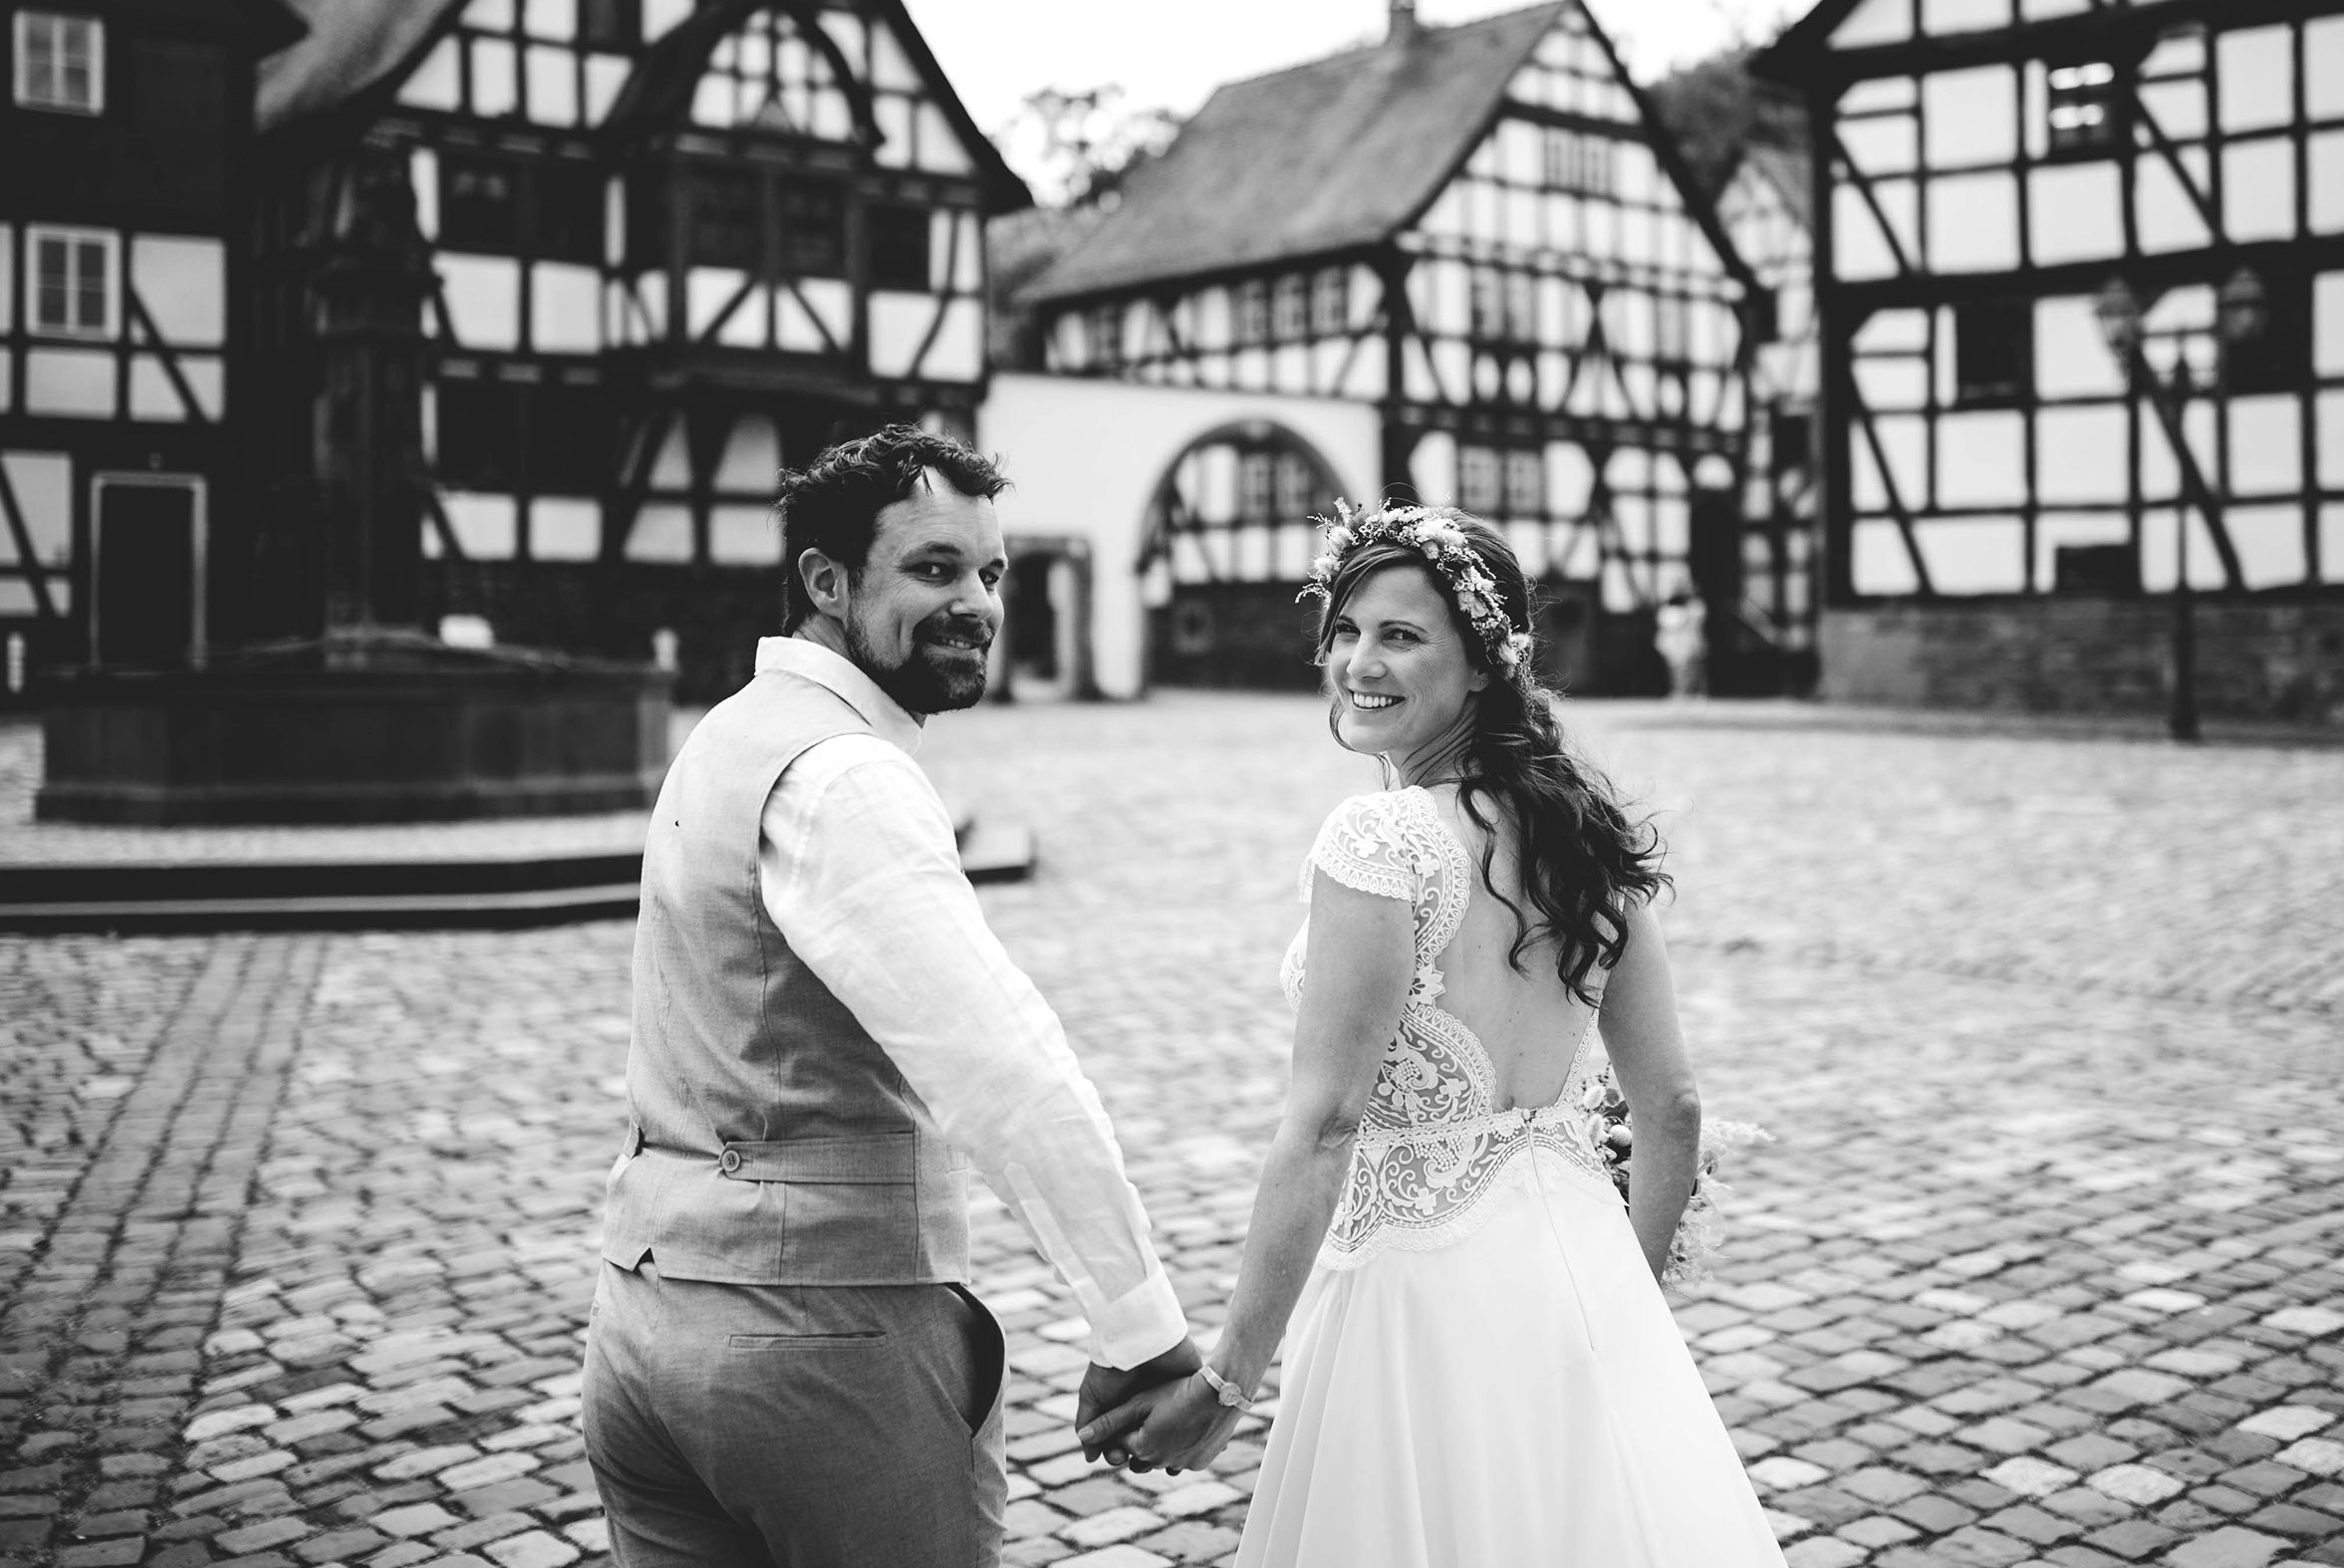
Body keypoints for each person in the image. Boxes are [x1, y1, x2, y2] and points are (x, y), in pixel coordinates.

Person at [1082, 502, 1785, 1566]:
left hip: (1416, 1300)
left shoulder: (1380, 836)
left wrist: (1227, 1381)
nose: (1358, 660)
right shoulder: (1585, 827)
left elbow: (1322, 1127)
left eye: (1401, 635)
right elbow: (1672, 1107)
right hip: (1581, 1277)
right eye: (1347, 629)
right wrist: (1626, 1311)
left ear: (1483, 665)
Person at [583, 425, 1197, 1568]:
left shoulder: (725, 735)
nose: (977, 601)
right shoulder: (846, 774)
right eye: (932, 568)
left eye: (991, 572)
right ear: (827, 582)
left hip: (643, 1329)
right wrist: (1143, 1329)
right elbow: (1004, 1073)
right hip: (821, 1348)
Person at [1656, 586, 1709, 698]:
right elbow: (1666, 627)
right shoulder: (1668, 611)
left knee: (1694, 668)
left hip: (1690, 641)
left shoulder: (1696, 607)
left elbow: (1696, 621)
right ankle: (1679, 691)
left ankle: (1697, 692)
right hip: (1675, 644)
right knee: (1677, 669)